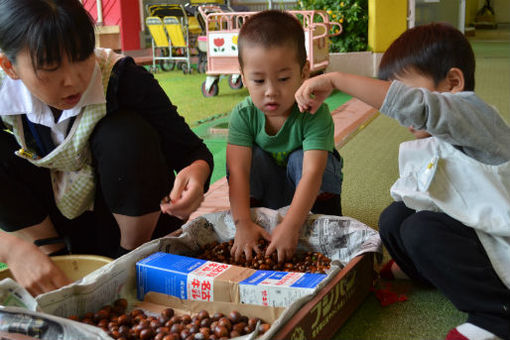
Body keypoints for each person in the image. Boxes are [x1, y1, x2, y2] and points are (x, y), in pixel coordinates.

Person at [295, 22, 510, 340]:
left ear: (453, 82)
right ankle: (419, 270)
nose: (400, 114)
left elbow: (421, 109)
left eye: (404, 94)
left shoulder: (474, 115)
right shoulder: (442, 133)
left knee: (421, 230)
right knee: (395, 217)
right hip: (473, 227)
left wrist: (337, 78)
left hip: (500, 241)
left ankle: (495, 314)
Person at [0, 0, 213, 296]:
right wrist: (11, 249)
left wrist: (196, 175)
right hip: (49, 228)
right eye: (50, 67)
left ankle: (129, 261)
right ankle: (55, 262)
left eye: (81, 56)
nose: (73, 80)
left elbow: (193, 153)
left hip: (125, 223)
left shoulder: (121, 77)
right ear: (9, 66)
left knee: (125, 132)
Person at [227, 10, 343, 264]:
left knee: (301, 158)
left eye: (283, 78)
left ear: (304, 72)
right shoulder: (244, 115)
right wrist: (243, 223)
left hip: (312, 200)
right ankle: (258, 224)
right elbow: (237, 171)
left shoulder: (315, 113)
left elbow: (312, 173)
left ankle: (318, 224)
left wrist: (291, 226)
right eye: (258, 80)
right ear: (243, 76)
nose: (271, 92)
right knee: (250, 159)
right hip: (271, 200)